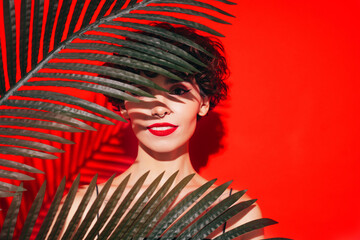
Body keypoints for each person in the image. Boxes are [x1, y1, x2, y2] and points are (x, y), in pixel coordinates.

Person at [64, 23, 263, 239]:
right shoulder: (80, 208)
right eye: (141, 91)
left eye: (177, 91)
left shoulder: (236, 214)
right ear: (123, 104)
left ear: (203, 102)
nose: (158, 108)